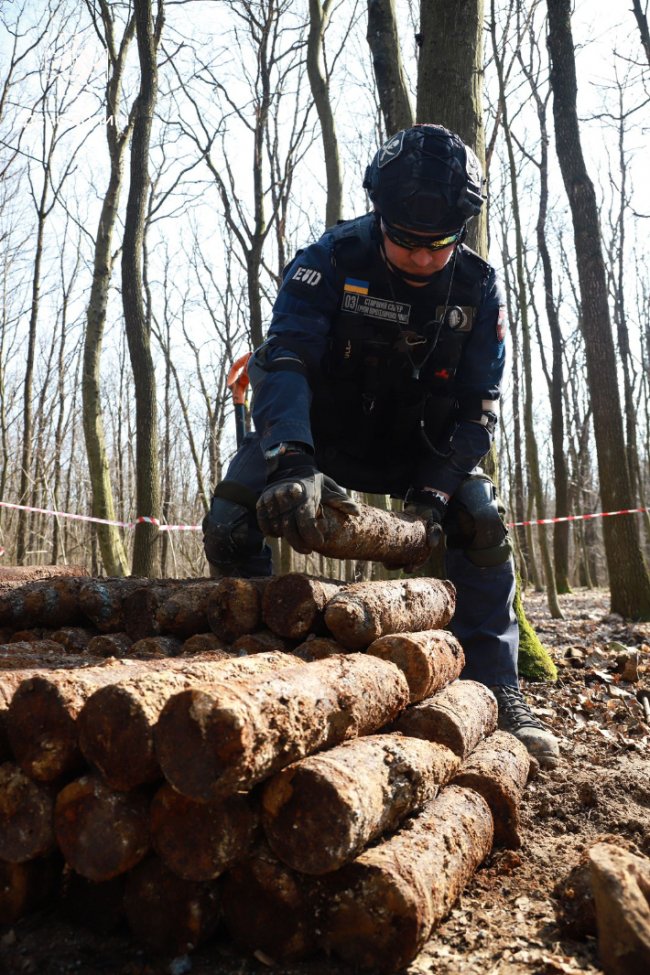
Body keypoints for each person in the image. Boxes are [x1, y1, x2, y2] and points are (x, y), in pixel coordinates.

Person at [203, 123, 560, 768]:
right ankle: (253, 656)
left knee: (480, 518)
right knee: (230, 518)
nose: (423, 257)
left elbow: (482, 408)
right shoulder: (329, 260)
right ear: (379, 214)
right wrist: (291, 459)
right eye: (406, 241)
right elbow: (283, 359)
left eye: (440, 244)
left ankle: (498, 686)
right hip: (319, 438)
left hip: (416, 450)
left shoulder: (478, 288)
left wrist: (434, 491)